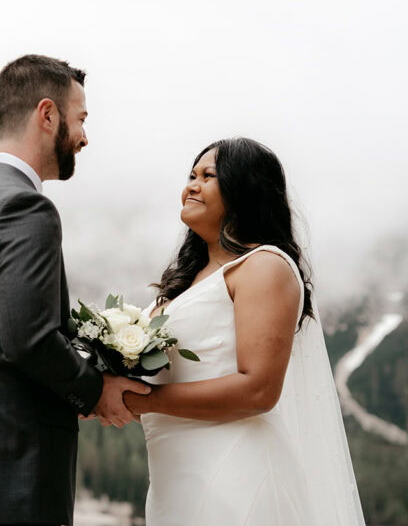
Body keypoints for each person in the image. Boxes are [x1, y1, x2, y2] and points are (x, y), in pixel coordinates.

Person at [0, 54, 149, 525]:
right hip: (13, 483)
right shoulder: (25, 207)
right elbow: (30, 339)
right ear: (48, 115)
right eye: (80, 118)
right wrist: (92, 389)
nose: (84, 137)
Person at [122, 137, 366, 525]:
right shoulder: (184, 283)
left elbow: (258, 390)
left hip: (236, 475)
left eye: (208, 176)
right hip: (175, 479)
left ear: (243, 188)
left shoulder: (263, 266)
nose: (192, 185)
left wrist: (144, 400)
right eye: (190, 175)